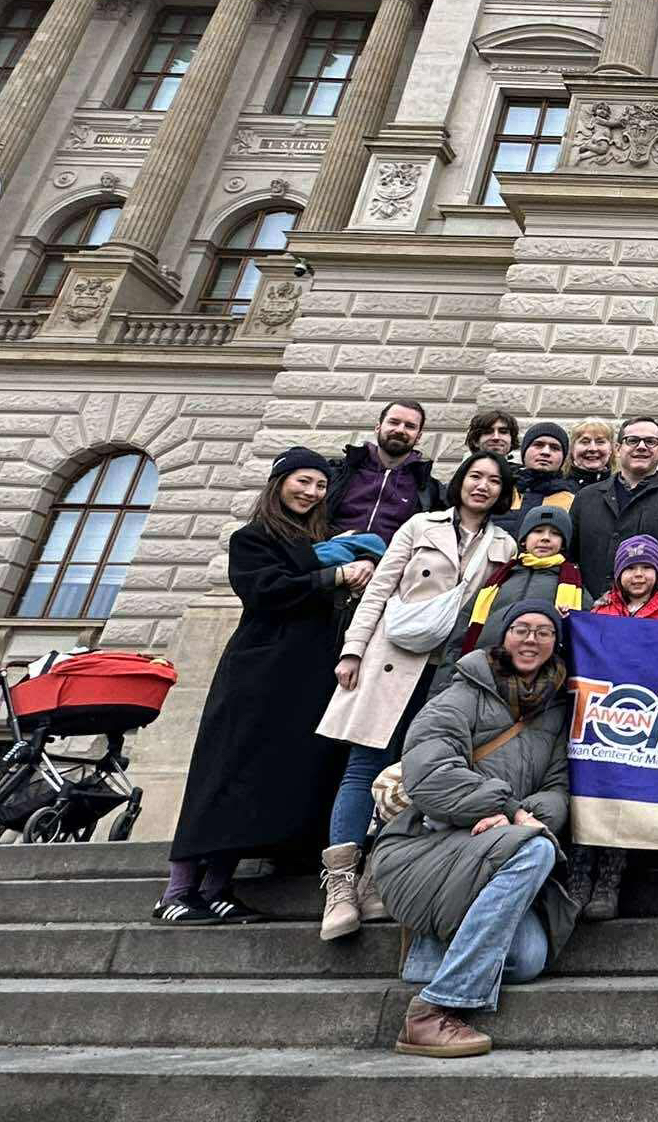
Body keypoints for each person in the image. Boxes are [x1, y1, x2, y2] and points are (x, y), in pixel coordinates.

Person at [157, 449, 369, 925]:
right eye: (303, 481)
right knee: (223, 772)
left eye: (319, 486)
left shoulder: (320, 539)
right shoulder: (252, 538)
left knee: (257, 781)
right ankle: (177, 889)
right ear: (279, 484)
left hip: (303, 676)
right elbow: (264, 590)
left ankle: (217, 887)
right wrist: (331, 576)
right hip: (256, 673)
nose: (310, 493)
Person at [315, 451, 516, 941]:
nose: (482, 486)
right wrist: (353, 650)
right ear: (460, 482)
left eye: (494, 480)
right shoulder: (419, 525)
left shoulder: (505, 544)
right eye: (475, 476)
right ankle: (340, 885)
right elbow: (379, 590)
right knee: (365, 767)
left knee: (418, 774)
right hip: (392, 660)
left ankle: (380, 877)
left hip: (449, 675)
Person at [374, 601, 578, 1058]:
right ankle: (436, 1007)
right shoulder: (460, 694)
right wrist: (503, 807)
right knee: (536, 851)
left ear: (555, 645)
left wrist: (515, 815)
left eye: (543, 632)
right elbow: (428, 775)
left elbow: (557, 793)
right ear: (502, 636)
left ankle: (431, 952)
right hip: (430, 842)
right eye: (521, 629)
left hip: (496, 840)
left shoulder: (555, 713)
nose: (531, 639)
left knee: (526, 960)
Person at [571, 535, 658, 919]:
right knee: (590, 790)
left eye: (646, 567)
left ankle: (609, 879)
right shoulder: (597, 613)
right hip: (600, 718)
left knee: (624, 794)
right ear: (618, 574)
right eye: (630, 568)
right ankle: (579, 878)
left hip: (647, 719)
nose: (638, 574)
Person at [569, 415, 658, 603]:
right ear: (617, 449)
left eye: (650, 441)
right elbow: (570, 559)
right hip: (587, 614)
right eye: (632, 440)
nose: (641, 447)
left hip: (650, 618)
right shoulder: (586, 497)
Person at [452, 506, 584, 678]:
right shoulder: (498, 579)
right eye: (537, 531)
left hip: (540, 679)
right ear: (523, 540)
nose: (545, 538)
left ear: (564, 543)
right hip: (484, 671)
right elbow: (460, 634)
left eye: (555, 533)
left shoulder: (574, 585)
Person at [327, 399, 444, 539]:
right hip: (329, 553)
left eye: (410, 426)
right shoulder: (339, 472)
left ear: (418, 437)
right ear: (378, 427)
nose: (400, 430)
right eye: (394, 422)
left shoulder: (429, 490)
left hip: (389, 559)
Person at [504, 422, 579, 533]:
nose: (545, 452)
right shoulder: (500, 490)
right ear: (524, 451)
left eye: (555, 448)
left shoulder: (573, 500)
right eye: (538, 445)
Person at [567, 420, 613, 487]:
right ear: (572, 448)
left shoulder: (623, 488)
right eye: (585, 442)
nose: (593, 448)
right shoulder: (558, 489)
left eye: (600, 442)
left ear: (611, 449)